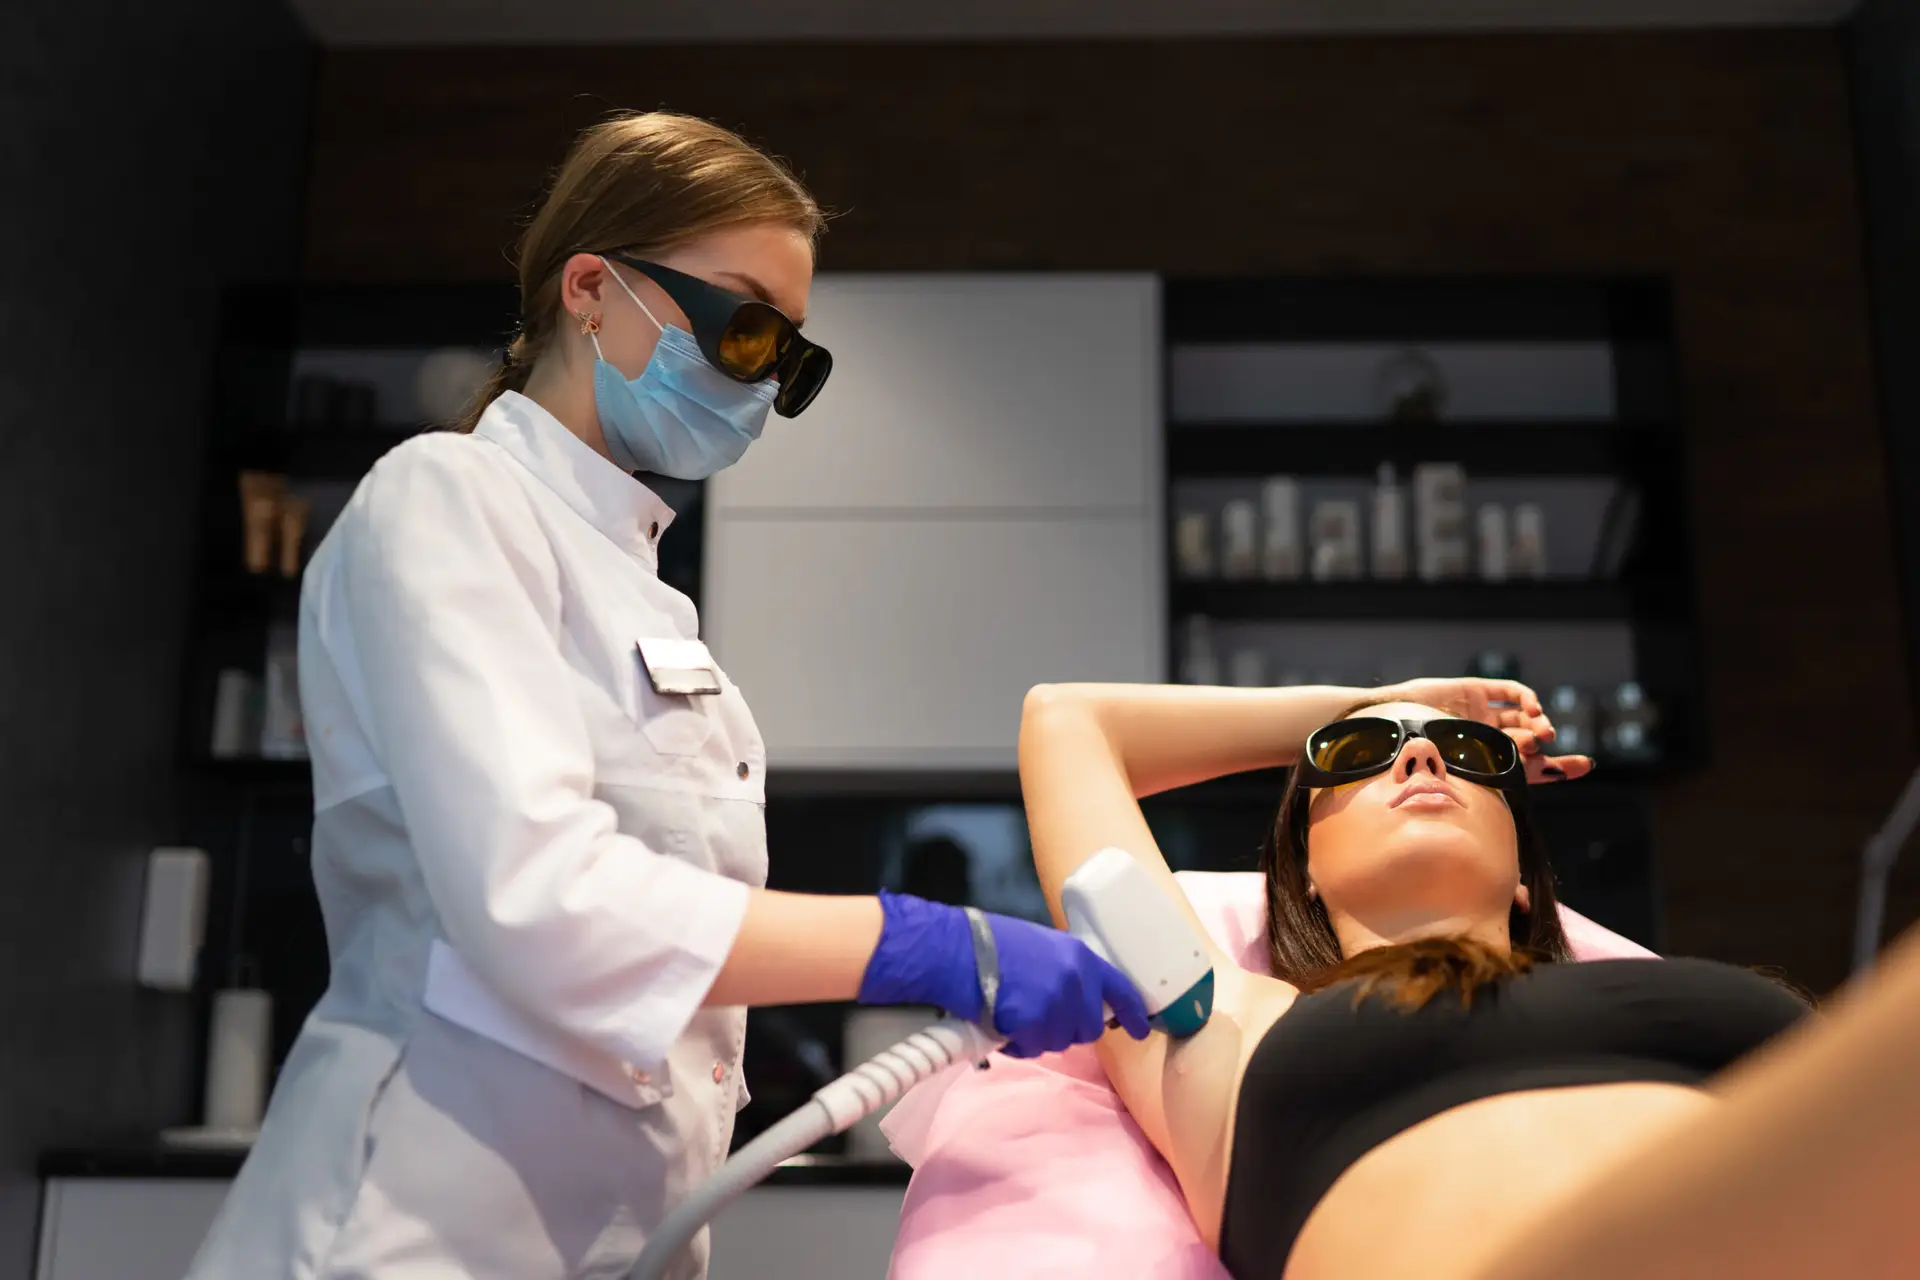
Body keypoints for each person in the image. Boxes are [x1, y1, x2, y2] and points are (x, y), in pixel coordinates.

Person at [185, 111, 1146, 1280]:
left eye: (792, 357)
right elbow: (535, 892)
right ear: (592, 288)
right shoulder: (446, 499)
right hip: (409, 1228)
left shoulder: (648, 596)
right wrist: (921, 942)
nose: (764, 380)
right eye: (748, 328)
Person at [1019, 676, 1920, 1280]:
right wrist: (1386, 700)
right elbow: (1068, 721)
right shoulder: (1219, 1022)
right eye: (1361, 758)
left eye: (1463, 752)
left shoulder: (1678, 989)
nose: (1421, 756)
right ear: (1305, 871)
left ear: (1526, 878)